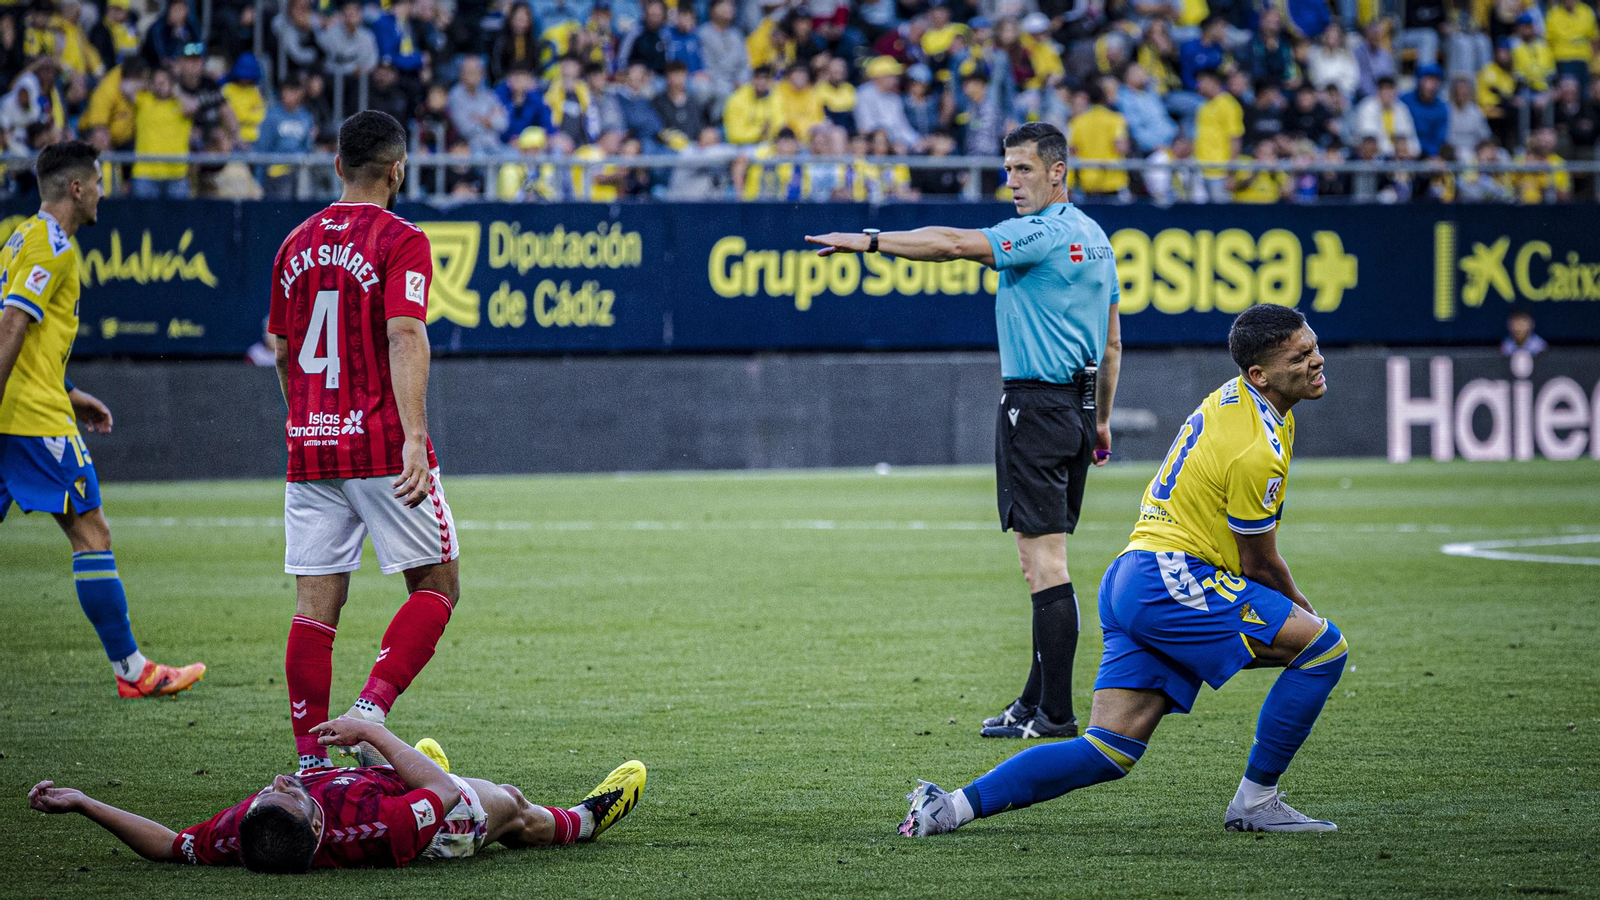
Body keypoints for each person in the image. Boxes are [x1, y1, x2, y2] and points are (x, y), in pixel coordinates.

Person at [901, 304, 1346, 838]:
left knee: (1108, 751)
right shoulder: (1255, 448)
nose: (1318, 360)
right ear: (1260, 375)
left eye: (1314, 345)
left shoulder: (1244, 402)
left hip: (1134, 576)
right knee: (1322, 648)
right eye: (1301, 356)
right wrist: (1303, 610)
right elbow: (1259, 562)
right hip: (1175, 582)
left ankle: (948, 807)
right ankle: (1256, 802)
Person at [806, 123, 1122, 741]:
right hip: (1078, 411)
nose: (1012, 183)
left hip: (1034, 408)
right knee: (1042, 565)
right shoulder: (1097, 238)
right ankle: (1034, 701)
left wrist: (870, 241)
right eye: (1007, 170)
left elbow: (951, 243)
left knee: (1044, 565)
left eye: (1024, 170)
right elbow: (1111, 342)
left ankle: (1056, 713)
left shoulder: (1041, 234)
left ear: (1058, 172)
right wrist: (1103, 419)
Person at [268, 111, 462, 771]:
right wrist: (415, 436)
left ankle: (310, 767)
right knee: (437, 586)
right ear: (397, 169)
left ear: (337, 166)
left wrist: (304, 417)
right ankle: (370, 713)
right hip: (379, 441)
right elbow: (405, 333)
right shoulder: (401, 237)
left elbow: (281, 348)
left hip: (311, 446)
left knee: (315, 606)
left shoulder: (293, 243)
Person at [0, 141, 206, 698]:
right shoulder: (54, 247)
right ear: (75, 188)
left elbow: (26, 334)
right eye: (97, 181)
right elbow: (14, 324)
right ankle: (132, 670)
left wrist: (70, 391)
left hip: (32, 402)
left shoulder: (19, 236)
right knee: (93, 534)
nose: (102, 192)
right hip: (30, 420)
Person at [26, 716, 647, 871]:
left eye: (272, 791)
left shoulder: (247, 831)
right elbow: (440, 793)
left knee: (370, 759)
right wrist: (374, 730)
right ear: (318, 828)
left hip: (382, 792)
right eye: (295, 794)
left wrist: (84, 802)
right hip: (435, 821)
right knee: (504, 804)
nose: (284, 781)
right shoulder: (377, 827)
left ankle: (400, 764)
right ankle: (583, 820)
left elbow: (167, 846)